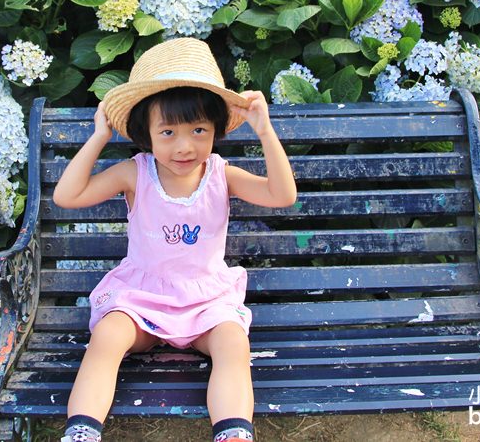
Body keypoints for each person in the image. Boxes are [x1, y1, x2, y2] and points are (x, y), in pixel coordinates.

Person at [52, 38, 297, 442]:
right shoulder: (135, 173)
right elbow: (68, 197)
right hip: (143, 299)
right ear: (145, 135)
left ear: (215, 129)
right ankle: (82, 430)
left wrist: (266, 132)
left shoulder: (222, 174)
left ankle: (233, 432)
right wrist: (99, 137)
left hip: (206, 303)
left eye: (199, 130)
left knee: (233, 343)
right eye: (167, 132)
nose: (185, 146)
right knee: (109, 336)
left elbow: (282, 195)